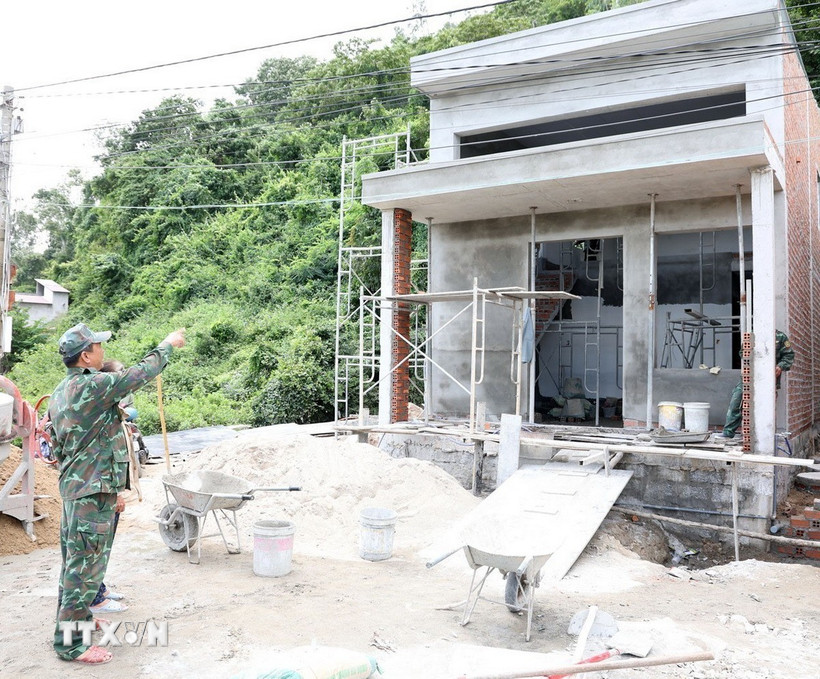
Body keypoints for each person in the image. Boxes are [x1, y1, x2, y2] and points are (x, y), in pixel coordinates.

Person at [49, 323, 185, 665]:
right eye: (97, 346)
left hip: (79, 488)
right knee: (84, 568)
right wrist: (167, 344)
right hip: (90, 491)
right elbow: (140, 373)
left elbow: (61, 447)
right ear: (85, 355)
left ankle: (77, 622)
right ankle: (70, 644)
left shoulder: (60, 391)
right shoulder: (93, 386)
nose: (102, 350)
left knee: (76, 562)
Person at [722, 329, 794, 439]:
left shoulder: (780, 336)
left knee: (766, 407)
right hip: (750, 376)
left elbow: (789, 355)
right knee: (736, 400)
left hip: (769, 379)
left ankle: (765, 437)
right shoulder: (752, 334)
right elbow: (742, 353)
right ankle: (728, 432)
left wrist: (780, 366)